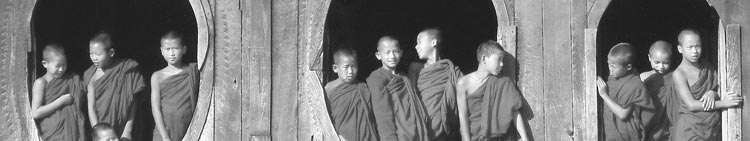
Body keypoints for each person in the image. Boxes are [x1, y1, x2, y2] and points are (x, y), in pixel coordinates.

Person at [672, 29, 743, 140]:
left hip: (710, 127)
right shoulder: (679, 73)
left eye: (698, 46)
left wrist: (712, 93)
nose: (695, 51)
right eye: (690, 47)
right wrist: (724, 103)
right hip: (690, 130)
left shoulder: (707, 67)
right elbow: (692, 105)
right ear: (680, 49)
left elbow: (718, 88)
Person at [456, 41, 529, 141]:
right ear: (484, 58)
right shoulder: (463, 83)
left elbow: (514, 112)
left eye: (503, 60)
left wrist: (525, 138)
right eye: (499, 59)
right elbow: (462, 116)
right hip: (474, 137)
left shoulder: (503, 82)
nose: (502, 64)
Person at [84, 32, 147, 140]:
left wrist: (127, 131)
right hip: (103, 132)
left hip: (125, 128)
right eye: (91, 53)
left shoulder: (126, 70)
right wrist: (98, 134)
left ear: (111, 52)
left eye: (98, 54)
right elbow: (91, 107)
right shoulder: (90, 76)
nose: (94, 58)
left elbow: (133, 103)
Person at [367, 36, 431, 140]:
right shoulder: (377, 78)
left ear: (401, 53)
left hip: (415, 134)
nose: (392, 56)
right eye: (387, 52)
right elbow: (382, 114)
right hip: (396, 135)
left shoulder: (404, 77)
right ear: (378, 55)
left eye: (395, 52)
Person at [408, 28, 463, 140]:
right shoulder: (415, 68)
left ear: (433, 42)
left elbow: (462, 101)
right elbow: (411, 100)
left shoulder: (452, 71)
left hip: (444, 130)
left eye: (420, 41)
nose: (416, 46)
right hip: (421, 128)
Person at [596, 43, 655, 141]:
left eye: (613, 67)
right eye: (609, 64)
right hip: (611, 132)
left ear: (628, 67)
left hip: (626, 135)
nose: (610, 70)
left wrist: (604, 95)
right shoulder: (614, 78)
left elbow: (623, 114)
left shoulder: (634, 85)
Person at [31, 44, 86, 141]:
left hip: (73, 129)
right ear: (45, 64)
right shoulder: (41, 83)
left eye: (64, 65)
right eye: (57, 66)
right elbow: (36, 113)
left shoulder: (72, 79)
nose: (61, 69)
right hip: (53, 133)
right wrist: (61, 101)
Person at [151, 31, 199, 141]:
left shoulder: (192, 72)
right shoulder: (157, 76)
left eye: (175, 49)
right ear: (162, 51)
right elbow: (156, 108)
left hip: (189, 128)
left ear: (184, 49)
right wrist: (164, 136)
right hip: (165, 130)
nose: (171, 53)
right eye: (167, 49)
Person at [325, 48, 379, 141]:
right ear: (335, 68)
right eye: (346, 67)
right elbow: (325, 117)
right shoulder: (329, 89)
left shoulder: (363, 88)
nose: (350, 71)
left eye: (354, 67)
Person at [639, 41, 679, 141]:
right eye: (657, 62)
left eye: (665, 63)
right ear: (649, 58)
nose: (661, 66)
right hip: (649, 123)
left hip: (669, 125)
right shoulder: (643, 77)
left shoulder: (676, 77)